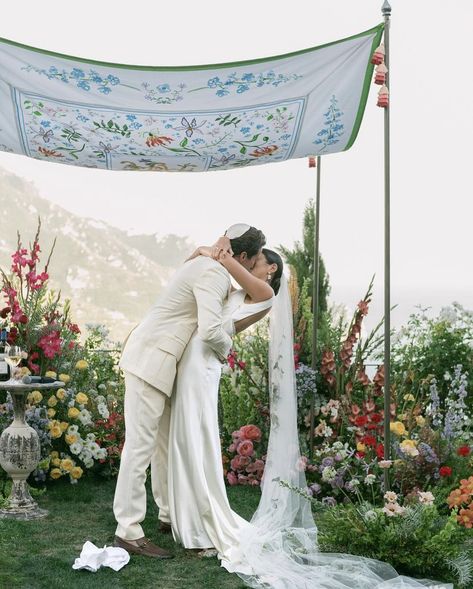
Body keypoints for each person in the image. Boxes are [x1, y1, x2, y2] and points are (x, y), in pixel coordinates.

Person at [168, 230, 453, 589]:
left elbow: (224, 289)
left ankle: (199, 522)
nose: (246, 264)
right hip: (199, 358)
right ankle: (187, 516)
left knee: (196, 440)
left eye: (253, 261)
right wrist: (211, 249)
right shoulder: (241, 288)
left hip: (204, 359)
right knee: (187, 437)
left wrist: (222, 246)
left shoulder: (265, 293)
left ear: (270, 268)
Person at [112, 224, 266, 559]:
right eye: (252, 262)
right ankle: (128, 531)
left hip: (166, 364)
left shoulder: (204, 264)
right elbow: (211, 330)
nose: (250, 271)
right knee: (140, 447)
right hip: (151, 360)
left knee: (163, 447)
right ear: (240, 257)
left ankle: (168, 515)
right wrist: (226, 354)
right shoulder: (215, 275)